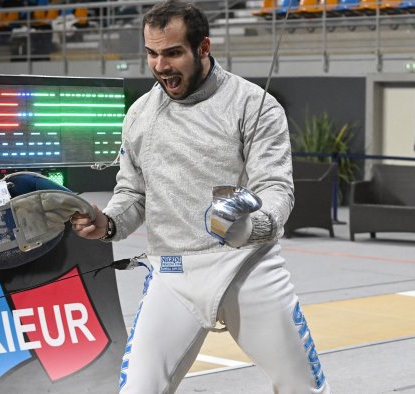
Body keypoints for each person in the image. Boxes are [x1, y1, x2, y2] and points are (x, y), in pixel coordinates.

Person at [70, 1, 330, 393]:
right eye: (152, 54)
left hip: (246, 267)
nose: (161, 66)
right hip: (172, 273)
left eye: (173, 53)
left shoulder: (252, 105)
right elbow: (133, 193)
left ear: (203, 47)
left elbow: (276, 189)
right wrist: (108, 223)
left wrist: (250, 227)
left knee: (302, 388)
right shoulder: (140, 114)